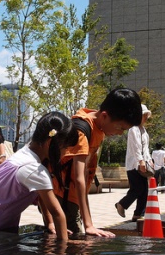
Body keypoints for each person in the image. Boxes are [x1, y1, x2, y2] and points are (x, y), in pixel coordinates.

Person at [0, 111, 79, 240]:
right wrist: (63, 250)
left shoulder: (23, 154)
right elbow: (58, 214)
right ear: (50, 142)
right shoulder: (34, 169)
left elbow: (43, 197)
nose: (66, 153)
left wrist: (50, 223)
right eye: (65, 148)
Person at [49, 88, 143, 236]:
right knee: (67, 248)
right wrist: (89, 225)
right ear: (104, 116)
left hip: (72, 197)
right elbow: (79, 177)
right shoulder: (81, 130)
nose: (120, 133)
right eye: (120, 127)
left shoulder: (99, 128)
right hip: (62, 197)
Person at [115, 104, 153, 221]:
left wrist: (149, 160)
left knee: (144, 190)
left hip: (142, 164)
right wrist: (140, 161)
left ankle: (139, 214)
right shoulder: (133, 129)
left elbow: (145, 148)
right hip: (133, 165)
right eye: (144, 115)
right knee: (137, 189)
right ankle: (122, 204)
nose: (146, 118)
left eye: (146, 115)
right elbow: (135, 147)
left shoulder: (144, 130)